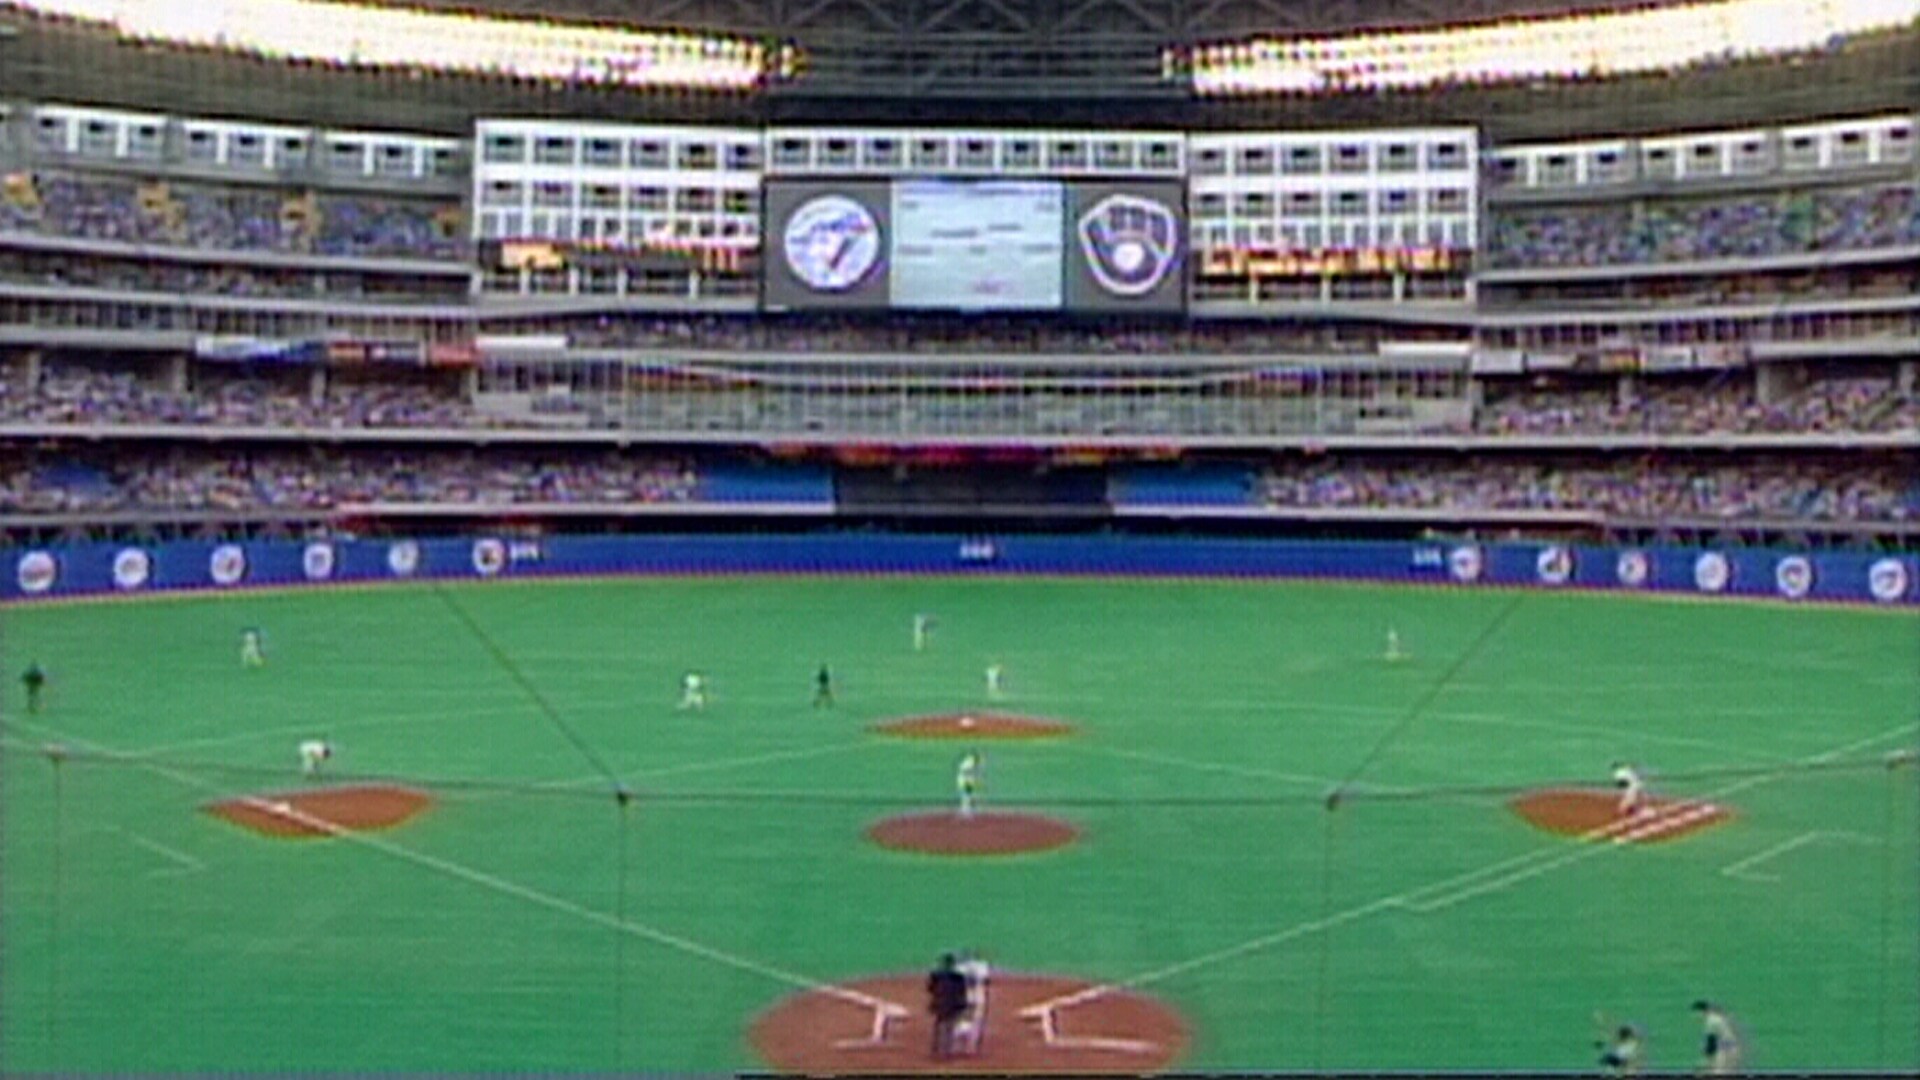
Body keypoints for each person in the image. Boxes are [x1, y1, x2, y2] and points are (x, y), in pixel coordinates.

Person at [926, 953, 970, 1059]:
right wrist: (962, 1006)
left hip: (939, 1003)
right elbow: (962, 993)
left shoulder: (936, 975)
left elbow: (930, 989)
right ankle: (946, 1051)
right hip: (952, 1005)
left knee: (938, 1027)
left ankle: (935, 1050)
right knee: (949, 1028)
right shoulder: (959, 977)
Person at [954, 950, 992, 1055]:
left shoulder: (959, 967)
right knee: (977, 1021)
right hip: (979, 997)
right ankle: (971, 1047)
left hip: (964, 996)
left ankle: (958, 1045)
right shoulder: (982, 966)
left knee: (961, 1019)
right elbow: (986, 981)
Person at [1693, 1000, 1740, 1075]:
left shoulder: (1711, 1021)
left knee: (1718, 1073)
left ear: (1701, 1012)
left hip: (1726, 1049)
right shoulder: (1714, 1018)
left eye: (1696, 1014)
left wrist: (1704, 1062)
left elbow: (1711, 1044)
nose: (1695, 1017)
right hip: (1728, 1048)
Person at [956, 751, 983, 818]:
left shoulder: (973, 762)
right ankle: (965, 810)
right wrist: (973, 777)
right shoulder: (968, 762)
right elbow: (965, 772)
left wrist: (976, 778)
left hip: (968, 779)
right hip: (964, 780)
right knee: (966, 795)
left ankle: (969, 809)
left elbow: (976, 770)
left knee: (969, 794)